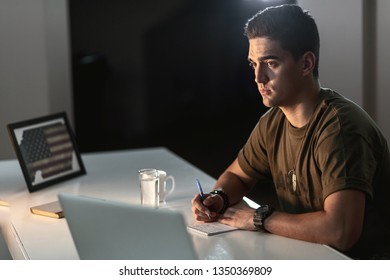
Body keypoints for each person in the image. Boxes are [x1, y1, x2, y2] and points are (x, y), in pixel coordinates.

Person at [191, 4, 390, 259]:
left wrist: (258, 218)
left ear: (306, 63)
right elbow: (237, 176)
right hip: (309, 256)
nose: (258, 78)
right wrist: (218, 197)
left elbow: (341, 232)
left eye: (271, 63)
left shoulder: (340, 129)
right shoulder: (273, 122)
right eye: (253, 64)